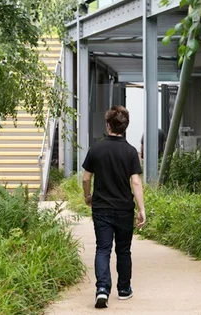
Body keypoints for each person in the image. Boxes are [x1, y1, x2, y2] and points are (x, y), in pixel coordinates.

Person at [82, 105, 147, 309]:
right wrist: (141, 208)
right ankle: (124, 289)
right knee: (123, 250)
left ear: (108, 124)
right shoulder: (130, 152)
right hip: (124, 208)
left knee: (103, 248)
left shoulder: (96, 149)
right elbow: (135, 182)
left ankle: (102, 289)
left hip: (101, 207)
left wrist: (87, 196)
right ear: (125, 127)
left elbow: (86, 178)